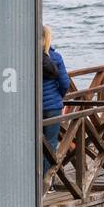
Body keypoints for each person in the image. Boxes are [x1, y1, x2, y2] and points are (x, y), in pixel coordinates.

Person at [41, 25, 73, 177]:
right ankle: (47, 181)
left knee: (35, 144)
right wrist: (58, 97)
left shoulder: (27, 55)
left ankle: (34, 181)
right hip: (52, 107)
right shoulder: (55, 57)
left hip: (33, 108)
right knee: (50, 143)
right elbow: (65, 83)